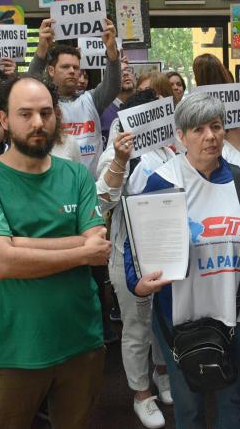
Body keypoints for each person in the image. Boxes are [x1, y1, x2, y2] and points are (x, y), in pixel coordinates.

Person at [0, 76, 110, 428]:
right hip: (15, 349)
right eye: (25, 114)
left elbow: (99, 246)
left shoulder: (76, 175)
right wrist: (80, 249)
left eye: (45, 112)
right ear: (4, 120)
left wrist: (16, 245)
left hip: (82, 341)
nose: (38, 123)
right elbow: (2, 262)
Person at [123, 92, 240, 429]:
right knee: (188, 403)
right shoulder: (163, 181)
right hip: (181, 315)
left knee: (233, 397)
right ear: (181, 135)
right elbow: (136, 244)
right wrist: (137, 280)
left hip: (237, 311)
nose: (210, 136)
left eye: (216, 127)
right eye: (199, 129)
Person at [96, 89, 175, 429]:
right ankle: (141, 393)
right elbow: (102, 202)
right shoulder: (117, 154)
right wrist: (119, 161)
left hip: (168, 249)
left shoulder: (170, 147)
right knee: (138, 327)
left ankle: (162, 373)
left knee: (163, 323)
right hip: (130, 256)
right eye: (156, 110)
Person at [28, 17, 121, 177]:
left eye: (76, 67)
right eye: (65, 67)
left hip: (91, 185)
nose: (72, 71)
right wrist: (42, 49)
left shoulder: (91, 99)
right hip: (55, 184)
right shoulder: (43, 104)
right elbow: (29, 85)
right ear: (51, 71)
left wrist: (112, 51)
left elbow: (112, 86)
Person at [100, 59, 137, 146]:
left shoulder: (145, 106)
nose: (125, 73)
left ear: (135, 76)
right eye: (119, 72)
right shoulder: (101, 110)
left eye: (128, 70)